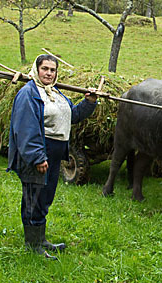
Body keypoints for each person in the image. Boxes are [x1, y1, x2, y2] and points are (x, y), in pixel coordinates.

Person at [7, 54, 97, 259]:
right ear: (36, 70)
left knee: (45, 197)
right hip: (38, 153)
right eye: (45, 69)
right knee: (34, 198)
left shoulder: (55, 93)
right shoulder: (29, 94)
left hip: (54, 155)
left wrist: (89, 102)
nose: (49, 73)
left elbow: (71, 116)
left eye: (52, 70)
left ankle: (41, 239)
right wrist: (37, 157)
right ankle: (33, 244)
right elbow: (26, 128)